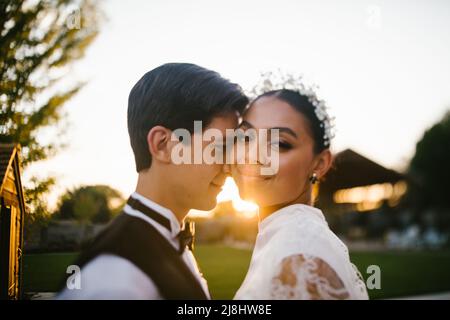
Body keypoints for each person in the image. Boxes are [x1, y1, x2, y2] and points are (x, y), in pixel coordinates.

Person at [58, 63, 248, 299]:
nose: (230, 167)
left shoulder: (166, 237)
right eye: (220, 147)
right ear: (162, 145)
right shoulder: (114, 283)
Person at [232, 80, 369, 300]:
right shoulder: (292, 237)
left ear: (320, 163)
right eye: (245, 137)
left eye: (279, 143)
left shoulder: (301, 259)